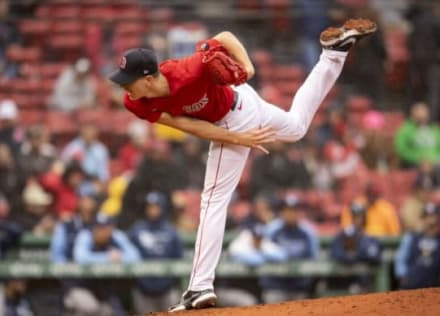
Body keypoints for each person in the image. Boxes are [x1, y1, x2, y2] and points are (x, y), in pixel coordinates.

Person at [109, 18, 377, 311]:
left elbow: (224, 35)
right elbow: (188, 126)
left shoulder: (188, 69)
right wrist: (236, 138)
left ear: (148, 78)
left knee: (213, 200)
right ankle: (333, 54)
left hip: (236, 109)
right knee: (297, 127)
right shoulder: (135, 101)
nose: (123, 86)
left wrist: (248, 68)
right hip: (235, 115)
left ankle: (198, 288)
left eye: (127, 79)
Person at [128, 191, 184, 314]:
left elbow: (179, 258)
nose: (152, 210)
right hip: (143, 289)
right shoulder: (136, 230)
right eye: (149, 207)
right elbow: (128, 257)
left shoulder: (171, 231)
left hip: (167, 289)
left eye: (155, 207)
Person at [330, 202, 382, 294]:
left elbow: (376, 257)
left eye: (360, 216)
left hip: (365, 284)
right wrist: (355, 257)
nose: (358, 219)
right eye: (355, 216)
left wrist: (355, 255)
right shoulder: (344, 235)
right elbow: (335, 254)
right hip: (346, 281)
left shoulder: (370, 237)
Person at [395, 202, 440, 289]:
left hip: (434, 284)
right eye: (427, 216)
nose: (430, 219)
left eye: (433, 215)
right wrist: (402, 275)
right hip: (413, 283)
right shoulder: (412, 237)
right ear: (423, 218)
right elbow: (401, 258)